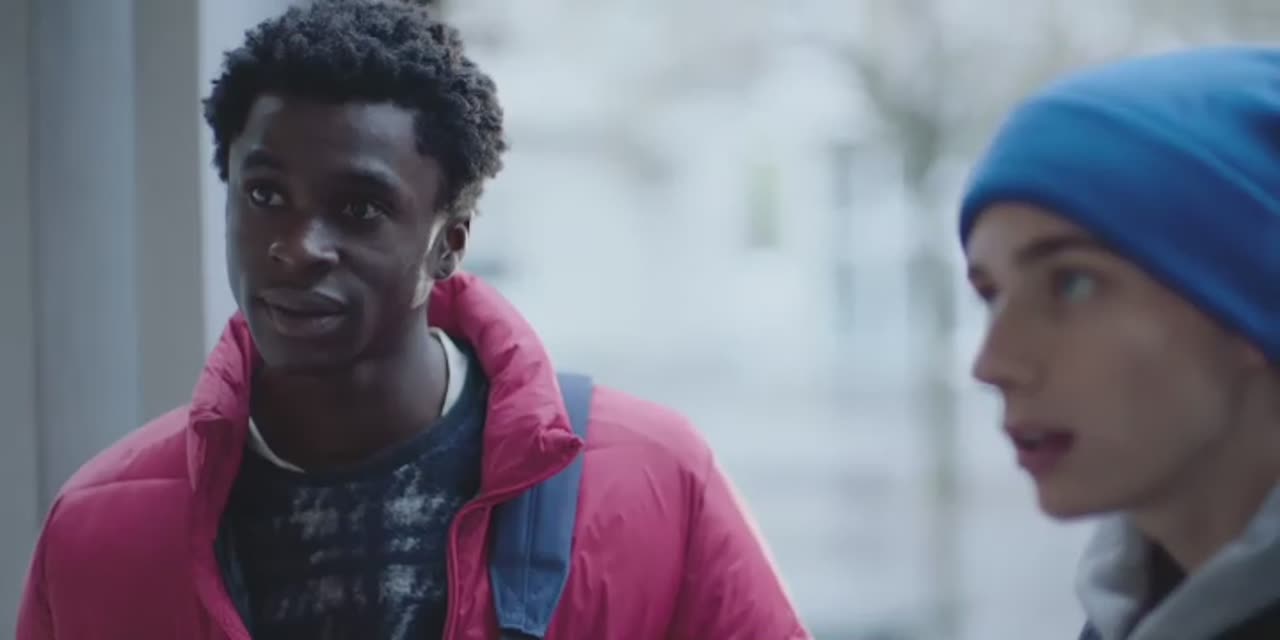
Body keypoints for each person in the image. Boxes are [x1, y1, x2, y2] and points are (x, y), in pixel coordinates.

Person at [15, 1, 809, 638]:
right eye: (265, 195)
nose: (297, 246)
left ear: (449, 243)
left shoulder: (655, 481)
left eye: (359, 208)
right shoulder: (98, 529)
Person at [958, 45, 1280, 640]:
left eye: (1072, 284)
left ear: (1255, 300)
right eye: (990, 294)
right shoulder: (1130, 610)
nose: (993, 364)